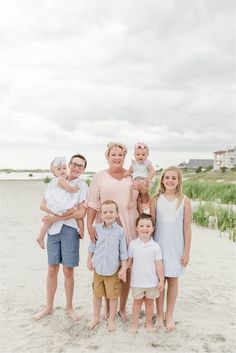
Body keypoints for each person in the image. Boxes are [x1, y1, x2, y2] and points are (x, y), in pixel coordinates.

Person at [86, 142, 150, 322]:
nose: (117, 158)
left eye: (120, 155)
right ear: (107, 156)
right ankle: (108, 309)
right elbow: (92, 203)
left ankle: (121, 308)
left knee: (126, 267)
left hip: (130, 224)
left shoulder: (132, 175)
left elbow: (143, 199)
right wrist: (90, 225)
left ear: (124, 157)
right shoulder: (99, 177)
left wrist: (144, 191)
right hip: (106, 227)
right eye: (113, 154)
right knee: (107, 266)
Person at [33, 154, 88, 321]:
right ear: (69, 165)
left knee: (68, 270)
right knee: (52, 268)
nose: (77, 168)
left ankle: (69, 306)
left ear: (84, 169)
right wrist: (53, 215)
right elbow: (43, 205)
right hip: (53, 231)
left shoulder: (82, 186)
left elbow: (81, 212)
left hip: (70, 230)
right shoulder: (56, 181)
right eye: (74, 164)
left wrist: (55, 218)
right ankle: (49, 307)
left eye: (81, 166)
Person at [150, 166, 192, 331]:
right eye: (167, 177)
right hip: (159, 246)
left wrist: (186, 252)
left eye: (173, 178)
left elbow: (187, 229)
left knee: (173, 280)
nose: (170, 181)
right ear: (162, 180)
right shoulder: (155, 199)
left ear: (179, 181)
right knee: (159, 282)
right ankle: (159, 314)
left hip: (176, 247)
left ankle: (169, 315)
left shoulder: (184, 201)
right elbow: (152, 225)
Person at [87, 200, 128, 332]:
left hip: (112, 271)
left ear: (117, 214)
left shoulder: (120, 231)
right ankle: (96, 317)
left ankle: (111, 319)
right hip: (98, 269)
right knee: (97, 294)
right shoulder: (97, 228)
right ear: (101, 214)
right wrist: (89, 259)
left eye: (111, 212)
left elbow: (123, 252)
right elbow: (92, 245)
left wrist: (123, 268)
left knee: (112, 296)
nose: (108, 214)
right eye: (105, 212)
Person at [36, 156, 84, 249]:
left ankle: (40, 237)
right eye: (59, 169)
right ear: (54, 172)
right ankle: (80, 229)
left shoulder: (53, 182)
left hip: (54, 205)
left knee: (48, 222)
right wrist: (75, 189)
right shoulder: (61, 180)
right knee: (71, 211)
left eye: (64, 168)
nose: (62, 170)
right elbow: (70, 189)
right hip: (60, 205)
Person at [127, 213, 164, 333]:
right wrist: (123, 270)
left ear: (153, 229)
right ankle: (134, 324)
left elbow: (159, 264)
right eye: (141, 225)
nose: (144, 228)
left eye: (148, 226)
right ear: (137, 228)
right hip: (137, 282)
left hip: (151, 282)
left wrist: (162, 280)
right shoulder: (132, 244)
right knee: (137, 303)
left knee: (149, 303)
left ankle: (148, 323)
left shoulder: (155, 246)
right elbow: (129, 262)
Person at [125, 142, 156, 210]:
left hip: (144, 179)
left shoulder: (147, 163)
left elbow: (152, 171)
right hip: (136, 180)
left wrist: (149, 178)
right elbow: (130, 171)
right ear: (134, 155)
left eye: (143, 154)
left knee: (140, 186)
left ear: (147, 155)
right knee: (134, 187)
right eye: (138, 154)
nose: (140, 156)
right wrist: (126, 174)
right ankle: (134, 201)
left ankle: (141, 202)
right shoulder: (133, 163)